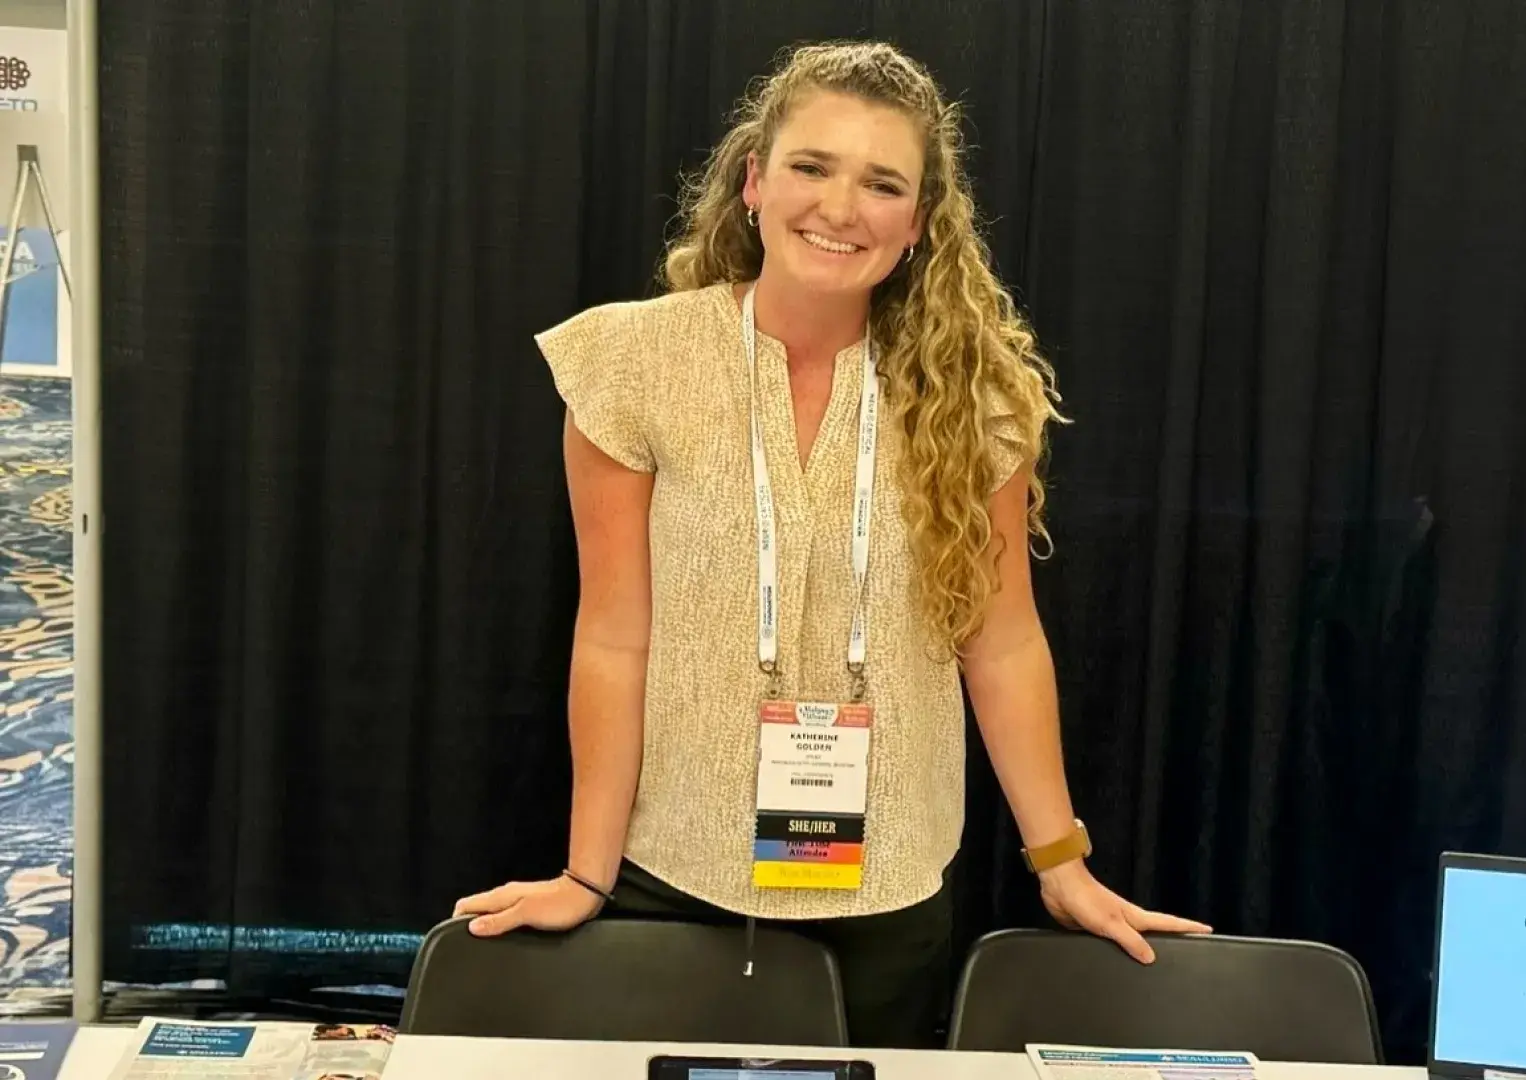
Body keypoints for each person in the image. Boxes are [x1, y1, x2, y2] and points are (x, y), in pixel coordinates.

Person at [454, 40, 1208, 1047]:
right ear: (756, 181)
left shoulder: (971, 396)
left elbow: (1002, 640)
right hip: (673, 872)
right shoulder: (633, 364)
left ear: (918, 223)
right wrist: (587, 873)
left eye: (881, 183)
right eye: (812, 167)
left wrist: (1059, 861)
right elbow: (613, 635)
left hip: (887, 887)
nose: (840, 207)